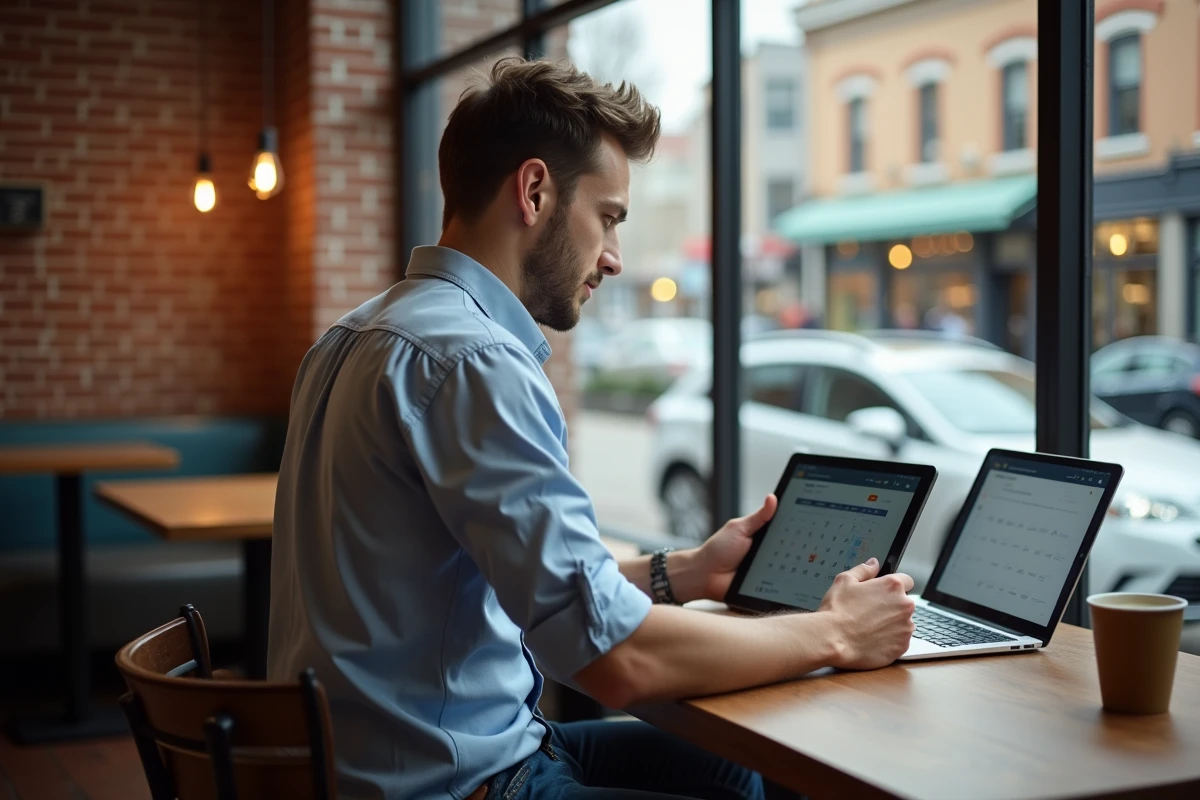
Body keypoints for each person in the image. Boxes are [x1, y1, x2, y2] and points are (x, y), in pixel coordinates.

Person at [268, 58, 917, 800]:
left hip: (379, 763)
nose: (613, 256)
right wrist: (835, 632)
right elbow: (617, 661)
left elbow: (534, 585)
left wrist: (688, 571)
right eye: (608, 217)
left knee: (745, 770)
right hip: (453, 784)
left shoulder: (351, 337)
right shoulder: (476, 361)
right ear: (535, 190)